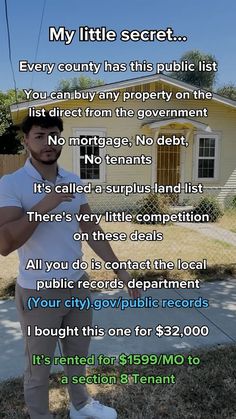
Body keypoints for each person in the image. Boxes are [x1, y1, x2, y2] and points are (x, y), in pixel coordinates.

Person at [0, 113, 140, 419]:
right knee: (39, 368)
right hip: (38, 291)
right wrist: (46, 204)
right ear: (26, 141)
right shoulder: (11, 183)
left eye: (54, 135)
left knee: (77, 355)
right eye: (39, 136)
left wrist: (121, 270)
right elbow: (5, 243)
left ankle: (80, 405)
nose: (48, 142)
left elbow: (91, 229)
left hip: (78, 285)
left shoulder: (73, 181)